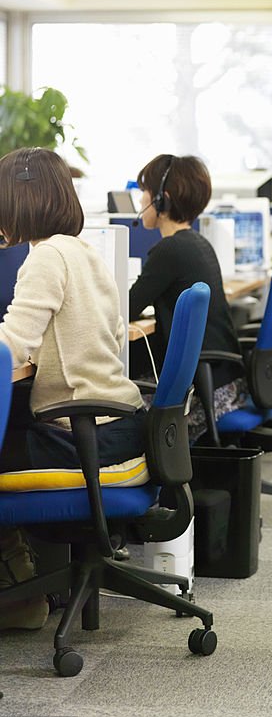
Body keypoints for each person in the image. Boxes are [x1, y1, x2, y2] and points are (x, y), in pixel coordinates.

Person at [0, 148, 144, 631]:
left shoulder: (45, 259)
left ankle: (19, 595)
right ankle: (24, 588)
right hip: (119, 423)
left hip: (85, 436)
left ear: (18, 199)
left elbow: (10, 347)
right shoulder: (81, 250)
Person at [129, 154, 247, 443]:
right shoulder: (198, 243)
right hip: (224, 385)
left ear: (161, 200)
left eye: (144, 191)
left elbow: (124, 309)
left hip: (202, 398)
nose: (140, 199)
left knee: (115, 407)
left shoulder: (168, 251)